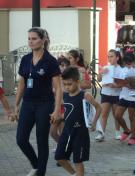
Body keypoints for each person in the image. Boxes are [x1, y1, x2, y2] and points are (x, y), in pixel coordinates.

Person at [14, 27, 62, 176]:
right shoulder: (26, 59)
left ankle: (41, 172)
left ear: (43, 40)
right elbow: (21, 83)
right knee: (21, 139)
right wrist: (16, 105)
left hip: (44, 104)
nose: (30, 41)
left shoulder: (50, 61)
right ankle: (36, 165)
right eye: (29, 38)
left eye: (34, 38)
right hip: (28, 104)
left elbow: (58, 88)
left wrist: (56, 109)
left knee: (42, 142)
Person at [55, 66, 102, 176]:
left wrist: (94, 123)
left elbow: (98, 107)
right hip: (67, 132)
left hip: (80, 133)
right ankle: (74, 174)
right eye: (64, 84)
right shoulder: (65, 95)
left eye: (69, 84)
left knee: (78, 161)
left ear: (77, 82)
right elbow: (67, 112)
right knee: (59, 157)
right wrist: (59, 117)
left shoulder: (85, 95)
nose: (67, 87)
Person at [115, 52, 135, 146]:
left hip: (134, 96)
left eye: (129, 63)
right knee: (117, 115)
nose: (128, 65)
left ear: (133, 61)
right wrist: (119, 83)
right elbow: (119, 82)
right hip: (124, 95)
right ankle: (126, 130)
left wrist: (131, 84)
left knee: (132, 117)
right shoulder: (123, 70)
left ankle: (133, 137)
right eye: (126, 63)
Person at [95, 49, 123, 142]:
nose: (109, 58)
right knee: (104, 114)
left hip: (116, 94)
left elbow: (123, 83)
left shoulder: (121, 69)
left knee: (116, 115)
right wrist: (101, 72)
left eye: (112, 56)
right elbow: (98, 80)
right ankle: (101, 133)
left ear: (117, 57)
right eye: (108, 56)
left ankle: (117, 132)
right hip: (106, 93)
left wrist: (115, 85)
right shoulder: (106, 67)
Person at [50, 57, 70, 151]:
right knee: (53, 132)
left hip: (65, 108)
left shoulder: (69, 80)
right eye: (60, 65)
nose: (62, 67)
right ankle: (61, 145)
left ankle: (63, 150)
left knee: (62, 131)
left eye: (64, 65)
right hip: (56, 108)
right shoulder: (54, 79)